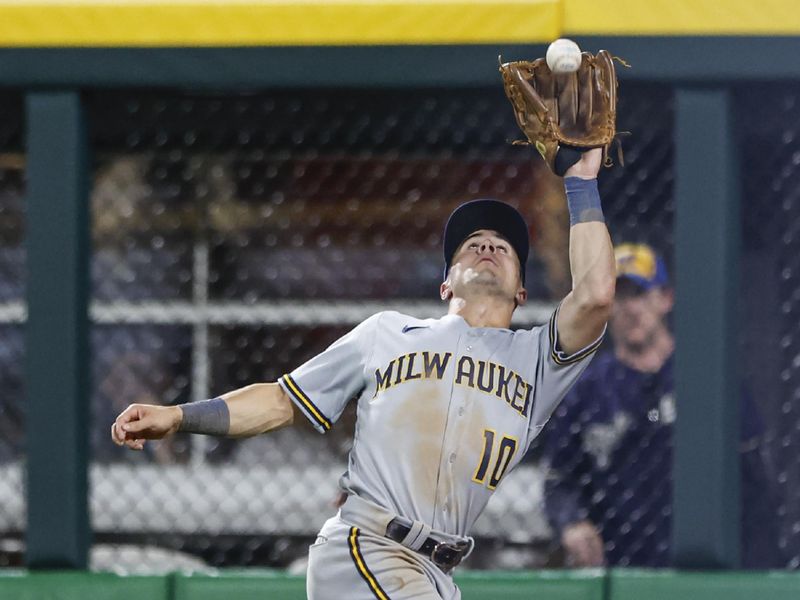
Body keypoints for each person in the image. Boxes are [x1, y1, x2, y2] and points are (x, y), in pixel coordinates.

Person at [111, 148, 615, 600]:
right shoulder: (387, 334)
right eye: (472, 243)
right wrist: (179, 416)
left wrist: (580, 181)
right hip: (364, 549)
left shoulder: (536, 361)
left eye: (503, 247)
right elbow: (282, 400)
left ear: (522, 293)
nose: (487, 246)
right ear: (444, 284)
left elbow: (593, 297)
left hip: (435, 573)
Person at [542, 242, 782, 569]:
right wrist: (571, 522)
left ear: (665, 299)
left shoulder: (708, 377)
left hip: (703, 564)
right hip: (618, 562)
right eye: (620, 297)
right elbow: (559, 480)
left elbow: (755, 475)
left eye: (640, 294)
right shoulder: (588, 389)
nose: (631, 309)